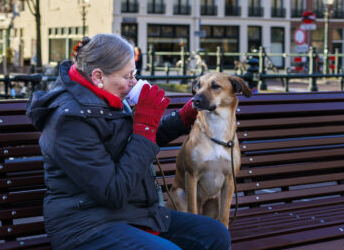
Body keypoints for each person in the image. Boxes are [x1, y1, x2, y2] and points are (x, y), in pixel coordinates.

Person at [26, 34, 230, 250]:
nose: (133, 83)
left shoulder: (108, 98)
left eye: (134, 75)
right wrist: (145, 126)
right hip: (85, 225)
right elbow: (113, 192)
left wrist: (181, 118)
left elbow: (132, 145)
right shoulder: (69, 121)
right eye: (128, 76)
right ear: (98, 76)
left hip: (131, 213)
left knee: (215, 234)